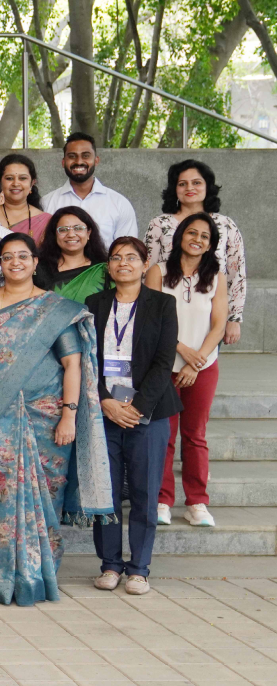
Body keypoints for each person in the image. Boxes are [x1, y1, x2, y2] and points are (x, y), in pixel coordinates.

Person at [0, 233, 112, 606]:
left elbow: (72, 364)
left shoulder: (55, 309)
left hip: (44, 419)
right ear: (0, 263)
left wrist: (69, 415)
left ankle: (36, 574)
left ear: (36, 262)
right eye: (8, 257)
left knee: (43, 498)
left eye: (23, 256)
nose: (16, 262)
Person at [86, 237, 181, 595]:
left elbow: (163, 362)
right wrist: (105, 400)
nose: (123, 263)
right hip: (104, 410)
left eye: (131, 257)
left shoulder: (162, 304)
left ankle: (139, 568)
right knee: (106, 492)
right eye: (116, 257)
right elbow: (86, 359)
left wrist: (137, 407)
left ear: (144, 265)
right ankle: (110, 564)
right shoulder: (94, 303)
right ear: (109, 266)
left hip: (149, 412)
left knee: (144, 490)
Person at [147, 213, 229, 530]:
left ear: (210, 245)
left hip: (203, 367)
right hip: (164, 365)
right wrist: (181, 351)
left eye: (204, 236)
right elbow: (152, 320)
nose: (197, 239)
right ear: (181, 235)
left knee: (195, 436)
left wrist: (197, 361)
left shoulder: (216, 276)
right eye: (192, 232)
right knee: (164, 435)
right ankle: (162, 500)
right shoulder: (158, 271)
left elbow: (218, 324)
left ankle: (196, 503)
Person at [144, 160, 246, 346]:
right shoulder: (160, 224)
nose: (189, 188)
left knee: (203, 360)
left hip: (210, 314)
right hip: (167, 313)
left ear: (208, 186)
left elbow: (236, 273)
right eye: (182, 184)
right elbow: (147, 269)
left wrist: (234, 318)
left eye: (196, 182)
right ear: (174, 189)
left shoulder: (225, 225)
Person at [42, 132, 137, 247]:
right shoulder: (47, 203)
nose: (79, 161)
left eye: (86, 156)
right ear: (63, 162)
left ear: (96, 160)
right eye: (72, 156)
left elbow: (127, 249)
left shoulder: (119, 204)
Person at [39, 207, 109, 302]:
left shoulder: (102, 270)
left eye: (78, 228)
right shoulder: (39, 268)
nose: (71, 234)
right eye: (63, 230)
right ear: (55, 235)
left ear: (88, 233)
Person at [0, 153, 49, 242]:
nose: (16, 183)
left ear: (32, 183)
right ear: (0, 182)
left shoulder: (45, 221)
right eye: (9, 178)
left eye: (22, 178)